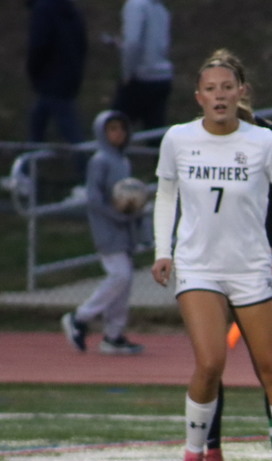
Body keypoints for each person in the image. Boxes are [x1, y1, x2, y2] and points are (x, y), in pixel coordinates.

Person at [151, 49, 272, 461]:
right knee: (210, 361)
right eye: (211, 89)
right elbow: (166, 196)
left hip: (252, 267)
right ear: (199, 96)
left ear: (242, 92)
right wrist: (163, 250)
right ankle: (194, 456)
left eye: (227, 87)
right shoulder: (177, 139)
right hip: (198, 267)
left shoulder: (264, 141)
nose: (220, 95)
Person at [60, 110, 145, 356]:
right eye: (112, 129)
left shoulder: (123, 161)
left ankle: (114, 335)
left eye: (121, 129)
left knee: (125, 281)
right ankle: (79, 317)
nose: (118, 134)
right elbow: (95, 199)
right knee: (119, 276)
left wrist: (134, 213)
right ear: (102, 133)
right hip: (108, 230)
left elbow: (126, 195)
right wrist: (119, 215)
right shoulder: (100, 161)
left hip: (124, 229)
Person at [26, 0, 87, 154]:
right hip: (67, 78)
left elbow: (38, 45)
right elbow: (82, 44)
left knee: (69, 130)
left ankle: (86, 169)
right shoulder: (70, 10)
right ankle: (26, 169)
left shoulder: (43, 10)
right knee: (38, 124)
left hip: (50, 80)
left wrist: (34, 71)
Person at [113, 0, 173, 133]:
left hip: (141, 77)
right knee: (154, 128)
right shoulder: (160, 7)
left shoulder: (135, 5)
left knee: (114, 126)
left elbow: (132, 43)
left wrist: (127, 73)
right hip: (162, 76)